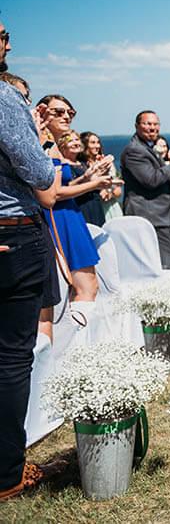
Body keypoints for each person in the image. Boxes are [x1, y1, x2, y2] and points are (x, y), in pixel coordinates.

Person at [0, 71, 64, 502]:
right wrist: (39, 138)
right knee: (11, 360)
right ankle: (7, 475)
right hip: (13, 236)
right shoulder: (4, 100)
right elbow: (42, 178)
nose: (6, 41)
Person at [44, 128, 118, 301]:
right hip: (62, 214)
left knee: (86, 285)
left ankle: (80, 325)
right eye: (59, 112)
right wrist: (93, 184)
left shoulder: (54, 150)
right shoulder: (47, 149)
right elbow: (57, 192)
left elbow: (67, 185)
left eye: (69, 113)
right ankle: (80, 328)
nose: (66, 116)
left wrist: (87, 176)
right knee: (84, 286)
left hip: (71, 212)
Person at [120, 110, 170, 269]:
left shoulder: (148, 147)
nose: (152, 128)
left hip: (156, 215)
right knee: (162, 262)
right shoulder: (134, 150)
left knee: (167, 259)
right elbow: (151, 180)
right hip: (147, 214)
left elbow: (162, 176)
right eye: (147, 124)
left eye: (155, 124)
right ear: (137, 126)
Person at [58, 131, 105, 227]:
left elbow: (94, 183)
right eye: (71, 141)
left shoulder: (82, 163)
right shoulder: (62, 166)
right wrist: (84, 178)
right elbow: (66, 187)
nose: (76, 143)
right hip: (80, 207)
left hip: (95, 206)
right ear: (62, 145)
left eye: (77, 140)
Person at [80, 131, 123, 222]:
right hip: (93, 207)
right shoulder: (81, 165)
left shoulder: (106, 162)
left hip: (111, 206)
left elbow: (118, 191)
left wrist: (110, 193)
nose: (97, 146)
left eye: (98, 142)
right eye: (92, 143)